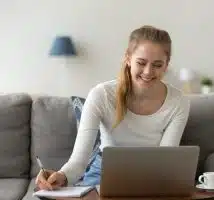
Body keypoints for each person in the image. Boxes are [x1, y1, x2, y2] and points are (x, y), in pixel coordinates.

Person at [35, 25, 191, 191]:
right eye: (141, 63)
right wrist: (61, 176)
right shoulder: (101, 95)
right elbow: (79, 161)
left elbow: (165, 161)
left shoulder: (178, 102)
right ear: (128, 59)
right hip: (103, 173)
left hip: (151, 174)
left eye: (157, 65)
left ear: (167, 65)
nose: (148, 72)